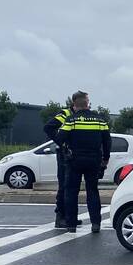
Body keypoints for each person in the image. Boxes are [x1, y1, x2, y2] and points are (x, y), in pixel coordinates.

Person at [55, 91, 110, 233]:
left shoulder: (71, 120)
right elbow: (107, 141)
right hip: (93, 160)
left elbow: (60, 138)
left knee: (71, 192)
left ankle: (71, 224)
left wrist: (66, 147)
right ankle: (96, 223)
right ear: (87, 104)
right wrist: (105, 159)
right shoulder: (100, 120)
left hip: (74, 161)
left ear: (75, 105)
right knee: (92, 191)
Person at [43, 97, 80, 228]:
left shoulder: (78, 115)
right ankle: (60, 217)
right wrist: (61, 142)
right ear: (75, 105)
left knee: (72, 185)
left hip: (73, 153)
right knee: (64, 185)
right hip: (65, 153)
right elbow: (48, 127)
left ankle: (70, 217)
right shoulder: (65, 114)